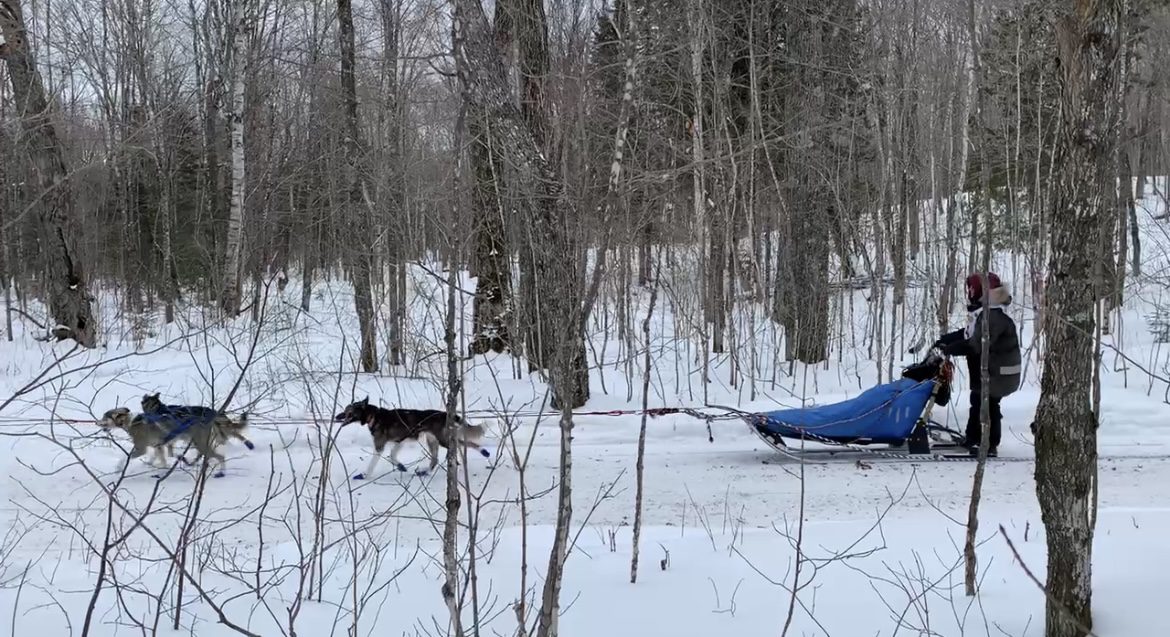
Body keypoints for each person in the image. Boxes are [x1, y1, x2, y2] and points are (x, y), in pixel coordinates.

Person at [933, 272, 1022, 457]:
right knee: (979, 400)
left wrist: (950, 349)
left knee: (988, 404)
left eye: (971, 290)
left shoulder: (993, 316)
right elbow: (968, 333)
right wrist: (946, 340)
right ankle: (973, 438)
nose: (969, 293)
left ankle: (988, 443)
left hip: (999, 373)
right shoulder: (984, 312)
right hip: (991, 370)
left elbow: (976, 344)